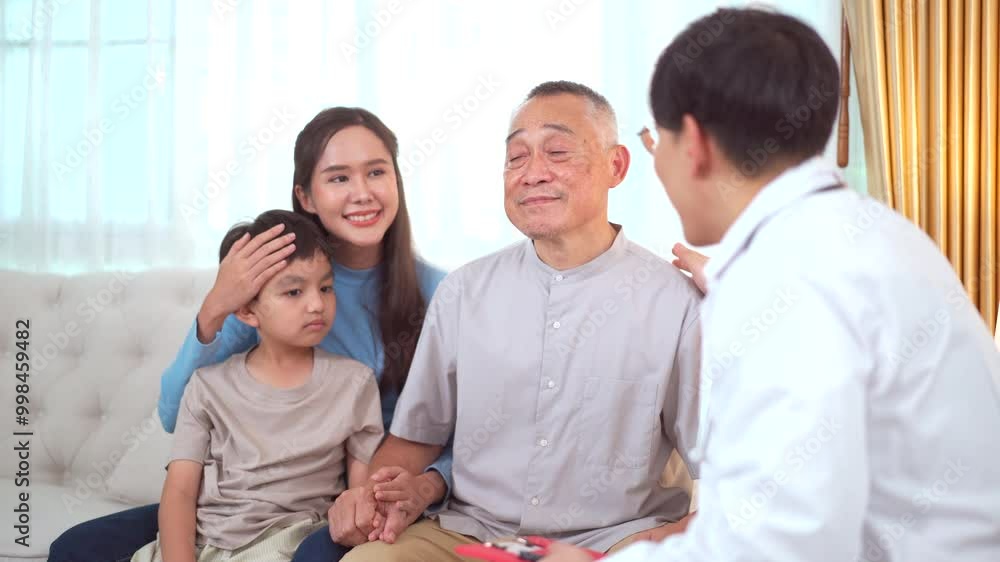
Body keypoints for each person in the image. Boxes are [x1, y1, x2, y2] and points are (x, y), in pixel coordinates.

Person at [543, 8, 1000, 562]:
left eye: (655, 142)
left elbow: (779, 544)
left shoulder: (783, 277)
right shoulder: (867, 235)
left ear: (695, 144)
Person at [49, 107, 452, 562]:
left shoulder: (441, 294)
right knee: (76, 549)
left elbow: (467, 433)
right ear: (306, 196)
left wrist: (426, 484)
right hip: (236, 507)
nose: (362, 193)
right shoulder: (273, 281)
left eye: (376, 172)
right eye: (338, 178)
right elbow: (174, 413)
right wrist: (216, 306)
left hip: (333, 506)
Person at [338, 80, 704, 562]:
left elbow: (733, 467)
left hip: (615, 542)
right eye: (516, 157)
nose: (532, 174)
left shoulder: (676, 303)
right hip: (473, 533)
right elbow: (414, 439)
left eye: (557, 151)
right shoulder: (463, 292)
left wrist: (672, 539)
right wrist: (375, 496)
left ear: (616, 166)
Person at [131, 210, 385, 562]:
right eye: (294, 292)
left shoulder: (355, 383)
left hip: (292, 543)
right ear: (247, 311)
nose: (317, 304)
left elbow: (359, 498)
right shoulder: (206, 386)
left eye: (326, 288)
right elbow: (179, 492)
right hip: (209, 543)